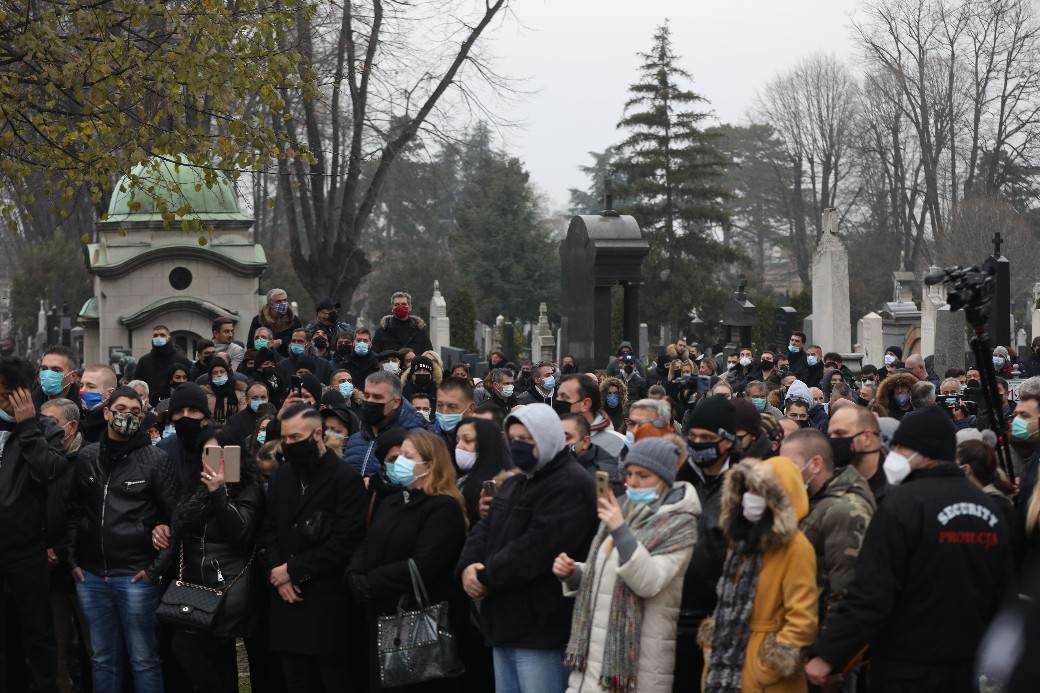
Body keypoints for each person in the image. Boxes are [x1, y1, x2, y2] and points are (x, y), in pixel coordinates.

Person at [806, 405, 1013, 692]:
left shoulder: (902, 504)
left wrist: (829, 655)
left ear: (922, 451)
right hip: (969, 668)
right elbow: (1003, 591)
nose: (894, 454)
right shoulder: (989, 508)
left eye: (900, 447)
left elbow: (871, 592)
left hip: (907, 667)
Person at [457, 404, 598, 693]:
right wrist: (468, 566)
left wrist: (485, 576)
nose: (518, 446)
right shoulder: (516, 481)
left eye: (526, 439)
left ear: (546, 438)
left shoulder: (571, 483)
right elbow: (485, 527)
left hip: (542, 628)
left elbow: (538, 547)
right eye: (514, 439)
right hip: (504, 623)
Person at [555, 438, 699, 693]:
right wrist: (574, 573)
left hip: (637, 668)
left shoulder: (679, 525)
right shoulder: (624, 510)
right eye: (629, 473)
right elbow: (606, 576)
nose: (632, 482)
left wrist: (620, 529)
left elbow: (648, 582)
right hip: (593, 662)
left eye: (643, 475)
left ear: (665, 479)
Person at [66, 386, 175, 693]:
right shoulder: (87, 457)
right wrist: (72, 559)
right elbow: (73, 511)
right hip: (91, 575)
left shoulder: (156, 460)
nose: (128, 416)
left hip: (136, 576)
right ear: (106, 413)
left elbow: (175, 519)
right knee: (102, 658)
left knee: (144, 659)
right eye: (122, 409)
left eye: (136, 412)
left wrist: (155, 570)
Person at [347, 430, 468, 692]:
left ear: (429, 465)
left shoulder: (443, 507)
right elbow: (369, 541)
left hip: (412, 617)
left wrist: (372, 582)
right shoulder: (393, 501)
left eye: (408, 456)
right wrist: (355, 572)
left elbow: (426, 564)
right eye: (399, 454)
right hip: (379, 613)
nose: (399, 461)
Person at [700, 457, 818, 692]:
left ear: (778, 497)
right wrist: (712, 646)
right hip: (723, 665)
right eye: (748, 489)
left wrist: (766, 667)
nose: (750, 496)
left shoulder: (796, 547)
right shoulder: (740, 541)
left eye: (758, 491)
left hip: (763, 677)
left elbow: (802, 619)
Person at [169, 426, 264, 693]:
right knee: (207, 656)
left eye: (223, 453)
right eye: (208, 453)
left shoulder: (248, 488)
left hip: (228, 587)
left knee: (201, 651)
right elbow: (181, 524)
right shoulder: (197, 487)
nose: (215, 459)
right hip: (197, 586)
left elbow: (241, 533)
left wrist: (219, 493)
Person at [0, 356, 65, 693]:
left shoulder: (46, 430)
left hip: (27, 550)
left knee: (37, 631)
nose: (2, 400)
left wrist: (27, 429)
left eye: (7, 393)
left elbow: (48, 471)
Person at [672, 395, 739, 692]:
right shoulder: (677, 482)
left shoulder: (744, 488)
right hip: (672, 616)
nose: (698, 444)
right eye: (694, 437)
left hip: (717, 621)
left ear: (727, 441)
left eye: (707, 438)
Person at [781, 429, 875, 622]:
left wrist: (826, 641)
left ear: (815, 464)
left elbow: (845, 591)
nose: (785, 474)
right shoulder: (809, 500)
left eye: (791, 466)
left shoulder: (844, 510)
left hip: (818, 626)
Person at [344, 370, 426, 477]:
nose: (370, 401)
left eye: (377, 397)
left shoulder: (415, 439)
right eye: (367, 395)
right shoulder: (356, 439)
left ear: (396, 402)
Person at [826, 404, 888, 505]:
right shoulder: (830, 483)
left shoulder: (899, 486)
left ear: (867, 438)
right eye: (830, 435)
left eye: (840, 433)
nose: (833, 440)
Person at [454, 417, 512, 525]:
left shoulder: (500, 486)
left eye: (467, 440)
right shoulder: (458, 480)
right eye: (457, 441)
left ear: (486, 444)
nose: (459, 446)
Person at [555, 373, 627, 460]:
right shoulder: (552, 437)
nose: (558, 401)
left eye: (565, 397)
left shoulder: (619, 443)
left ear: (585, 404)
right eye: (558, 396)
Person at [133, 326, 192, 406]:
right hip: (149, 406)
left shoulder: (181, 360)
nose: (159, 337)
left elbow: (189, 382)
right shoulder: (144, 361)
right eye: (155, 335)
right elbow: (137, 384)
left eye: (162, 335)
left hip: (176, 404)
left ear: (169, 338)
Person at [247, 288, 302, 358]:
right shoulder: (258, 320)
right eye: (278, 301)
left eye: (285, 300)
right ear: (270, 303)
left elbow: (300, 340)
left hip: (287, 358)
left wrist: (281, 342)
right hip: (264, 359)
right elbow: (251, 344)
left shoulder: (294, 320)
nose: (283, 303)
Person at [32, 344, 82, 410]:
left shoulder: (84, 408)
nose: (48, 375)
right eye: (44, 369)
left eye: (56, 370)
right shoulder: (29, 406)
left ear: (72, 377)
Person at [78, 364, 118, 443]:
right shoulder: (77, 415)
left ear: (109, 393)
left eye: (91, 387)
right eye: (81, 385)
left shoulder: (113, 427)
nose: (82, 391)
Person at [434, 376, 476, 450]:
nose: (444, 412)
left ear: (470, 409)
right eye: (440, 405)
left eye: (452, 406)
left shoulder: (483, 441)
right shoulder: (428, 441)